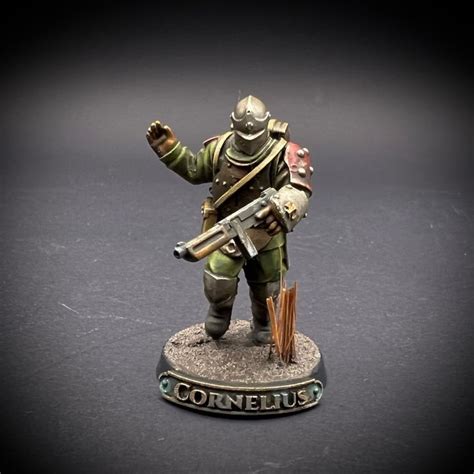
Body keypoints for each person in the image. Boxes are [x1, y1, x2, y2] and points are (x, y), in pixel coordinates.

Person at [146, 95, 312, 344]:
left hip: (267, 232)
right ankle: (219, 312)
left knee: (267, 287)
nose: (249, 141)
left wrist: (280, 208)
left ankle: (265, 323)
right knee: (217, 279)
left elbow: (298, 189)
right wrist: (171, 150)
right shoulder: (219, 149)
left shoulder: (284, 153)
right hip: (228, 233)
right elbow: (194, 169)